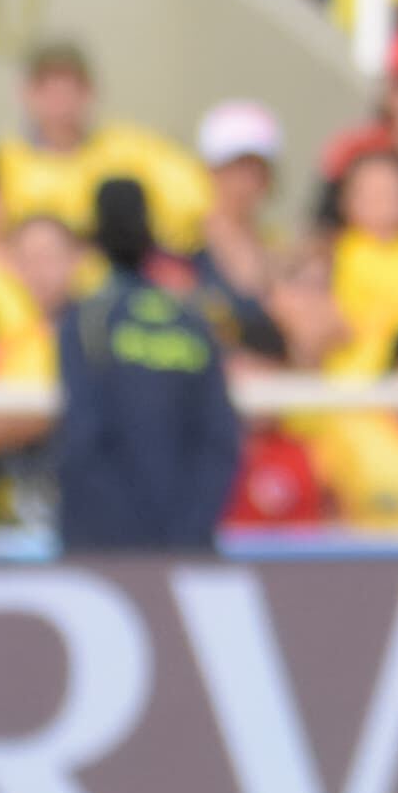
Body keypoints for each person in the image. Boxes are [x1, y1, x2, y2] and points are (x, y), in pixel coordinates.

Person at [51, 178, 240, 552]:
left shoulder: (88, 320)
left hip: (108, 545)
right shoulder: (189, 318)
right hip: (185, 538)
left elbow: (83, 435)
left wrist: (123, 535)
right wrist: (187, 529)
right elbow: (220, 439)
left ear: (95, 240)